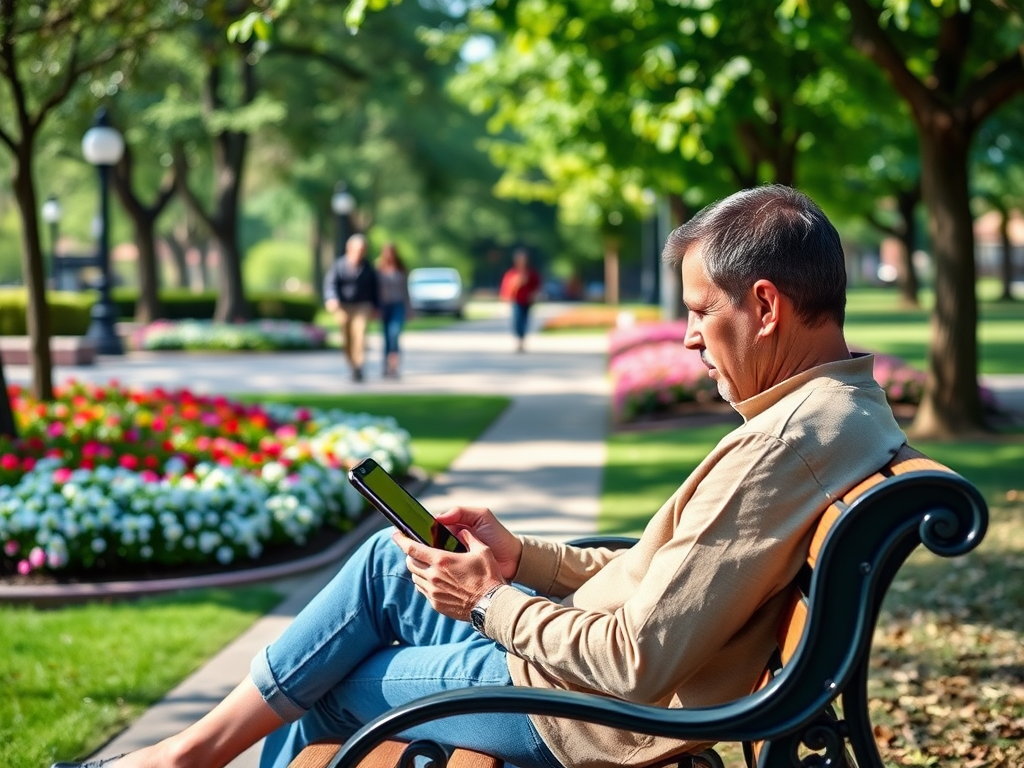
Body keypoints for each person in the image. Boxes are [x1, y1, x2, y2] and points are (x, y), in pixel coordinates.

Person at [54, 185, 908, 768]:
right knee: (393, 563)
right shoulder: (829, 415)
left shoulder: (786, 446)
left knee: (335, 689)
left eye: (697, 312)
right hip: (574, 671)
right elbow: (656, 579)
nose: (687, 338)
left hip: (587, 718)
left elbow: (637, 661)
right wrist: (517, 556)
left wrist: (487, 602)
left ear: (764, 307)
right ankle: (190, 754)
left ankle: (186, 757)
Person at [323, 234, 379, 382]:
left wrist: (376, 306)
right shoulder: (339, 265)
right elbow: (331, 284)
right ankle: (352, 365)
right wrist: (331, 299)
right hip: (344, 306)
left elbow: (375, 288)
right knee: (346, 338)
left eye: (363, 250)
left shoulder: (367, 267)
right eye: (358, 249)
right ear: (350, 249)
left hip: (362, 305)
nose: (361, 252)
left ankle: (359, 366)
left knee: (360, 335)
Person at [375, 242, 412, 379]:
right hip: (384, 306)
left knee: (394, 335)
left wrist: (409, 308)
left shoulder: (401, 269)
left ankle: (394, 366)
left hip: (398, 305)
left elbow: (406, 290)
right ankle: (385, 366)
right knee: (385, 337)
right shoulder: (379, 268)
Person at [499, 248, 542, 352]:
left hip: (527, 300)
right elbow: (506, 287)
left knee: (524, 320)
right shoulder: (512, 273)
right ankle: (518, 340)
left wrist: (534, 295)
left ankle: (522, 341)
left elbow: (536, 286)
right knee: (517, 321)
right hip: (516, 300)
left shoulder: (531, 273)